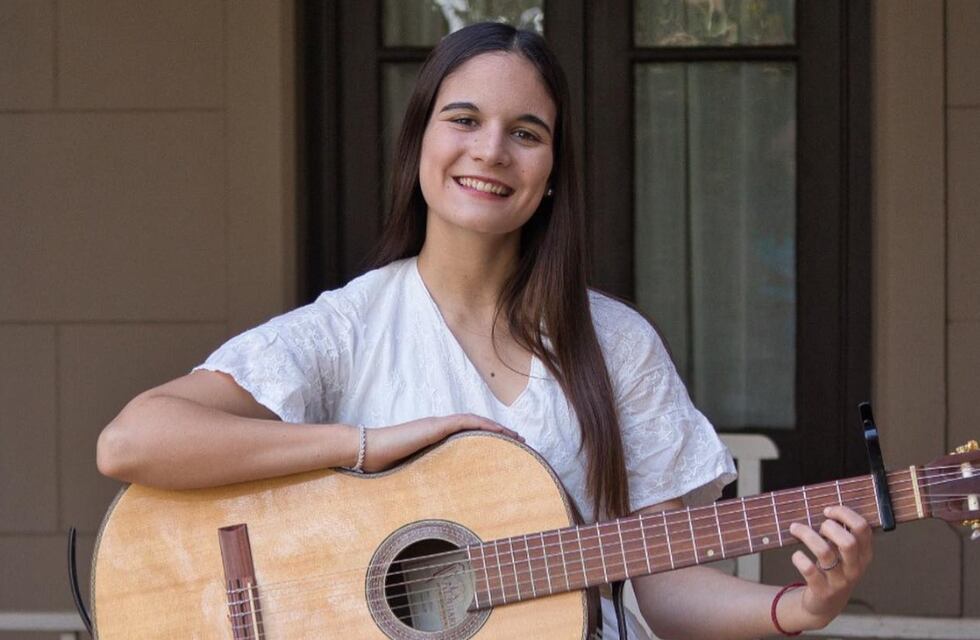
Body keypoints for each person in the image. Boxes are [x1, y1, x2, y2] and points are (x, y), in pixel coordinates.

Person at [97, 22, 872, 639]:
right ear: (422, 141)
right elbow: (132, 442)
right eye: (463, 119)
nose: (490, 151)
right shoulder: (349, 328)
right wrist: (364, 446)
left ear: (553, 167)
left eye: (526, 132)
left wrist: (798, 610)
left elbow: (657, 581)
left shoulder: (616, 344)